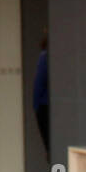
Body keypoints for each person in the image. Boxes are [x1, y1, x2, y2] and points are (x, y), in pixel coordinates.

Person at [33, 30, 49, 158]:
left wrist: (36, 106)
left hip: (45, 106)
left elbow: (39, 83)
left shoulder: (45, 57)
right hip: (48, 106)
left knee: (50, 146)